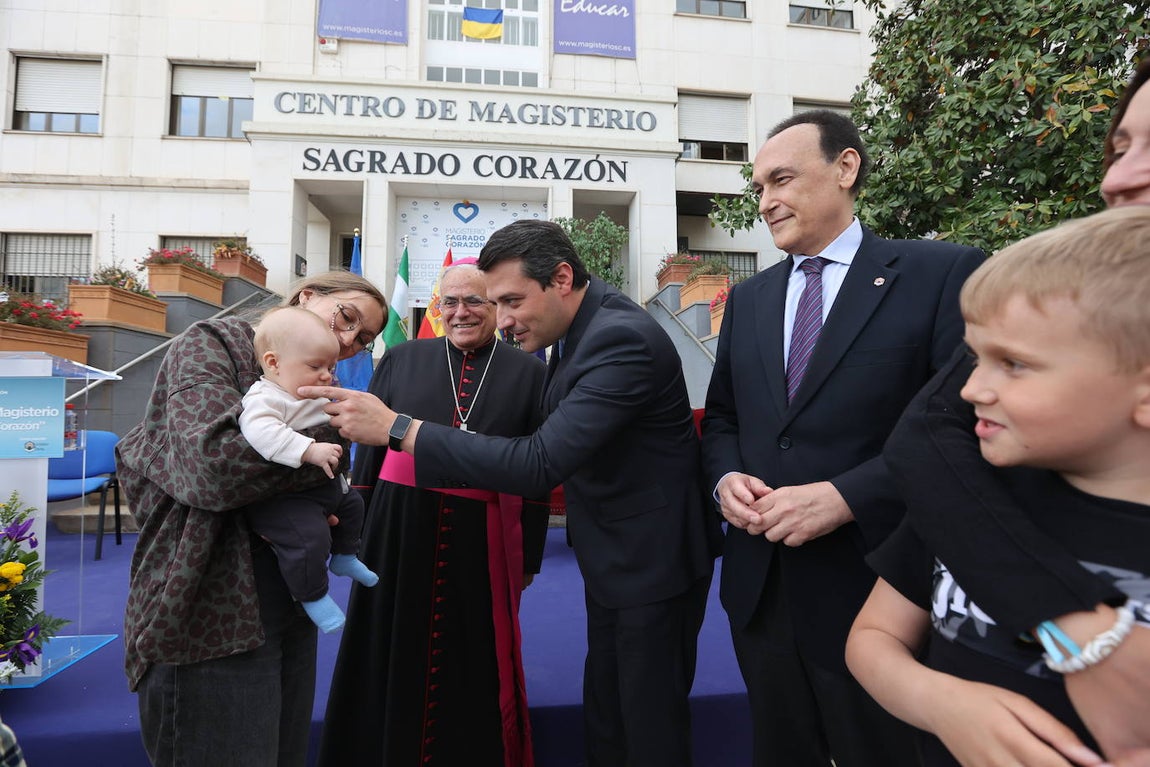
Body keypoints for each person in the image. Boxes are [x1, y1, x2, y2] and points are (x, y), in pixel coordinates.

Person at [302, 219, 723, 767]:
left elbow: (539, 461)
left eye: (510, 302)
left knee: (643, 721)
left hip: (650, 561)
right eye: (487, 302)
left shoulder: (618, 337)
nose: (501, 320)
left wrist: (401, 429)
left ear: (562, 278)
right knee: (611, 709)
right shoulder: (577, 331)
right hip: (616, 556)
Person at [883, 54, 1150, 762]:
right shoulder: (1021, 447)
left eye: (1017, 364)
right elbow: (927, 433)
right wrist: (1076, 629)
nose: (1117, 178)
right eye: (1119, 146)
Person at [698, 109, 984, 767]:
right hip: (762, 593)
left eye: (781, 179)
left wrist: (848, 495)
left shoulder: (939, 275)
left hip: (879, 591)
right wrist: (725, 479)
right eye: (758, 188)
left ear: (846, 167)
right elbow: (725, 420)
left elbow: (959, 424)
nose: (766, 201)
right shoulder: (749, 299)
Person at [116, 271, 386, 767]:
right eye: (346, 317)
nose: (349, 341)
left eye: (362, 339)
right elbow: (212, 468)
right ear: (308, 296)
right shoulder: (212, 342)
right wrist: (313, 464)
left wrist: (315, 466)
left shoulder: (317, 378)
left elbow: (337, 460)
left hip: (286, 601)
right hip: (207, 607)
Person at [317, 262, 549, 767]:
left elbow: (536, 474)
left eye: (475, 301)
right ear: (438, 309)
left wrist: (528, 554)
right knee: (387, 647)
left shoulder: (531, 371)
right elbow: (368, 456)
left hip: (482, 538)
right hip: (398, 530)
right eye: (450, 302)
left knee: (471, 656)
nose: (461, 312)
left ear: (496, 307)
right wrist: (358, 529)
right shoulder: (401, 358)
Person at [239, 306, 379, 634]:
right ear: (273, 363)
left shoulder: (306, 392)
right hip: (287, 500)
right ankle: (312, 596)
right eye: (315, 366)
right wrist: (308, 449)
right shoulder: (266, 398)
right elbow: (261, 434)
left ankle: (345, 555)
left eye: (330, 367)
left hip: (323, 489)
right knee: (308, 540)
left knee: (354, 506)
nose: (326, 375)